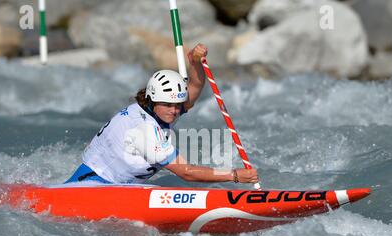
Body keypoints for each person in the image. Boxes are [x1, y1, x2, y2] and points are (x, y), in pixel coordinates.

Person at [65, 44, 259, 185]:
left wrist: (194, 61)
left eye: (177, 105)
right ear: (153, 99)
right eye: (168, 105)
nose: (175, 111)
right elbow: (187, 172)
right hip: (91, 185)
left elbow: (195, 86)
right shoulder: (143, 130)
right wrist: (234, 175)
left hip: (120, 185)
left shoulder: (158, 109)